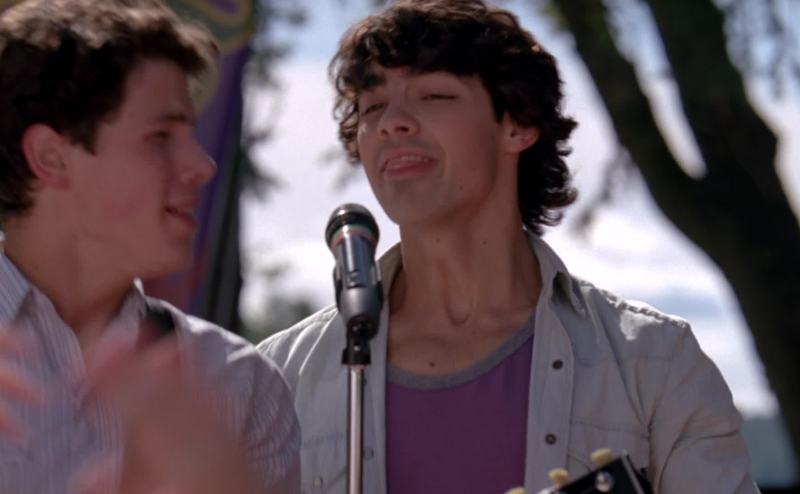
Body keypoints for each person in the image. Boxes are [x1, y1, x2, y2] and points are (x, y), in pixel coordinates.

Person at [258, 0, 758, 493]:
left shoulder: (655, 365)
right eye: (372, 106)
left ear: (517, 124)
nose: (392, 121)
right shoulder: (276, 381)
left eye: (433, 95)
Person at [0, 0, 300, 492]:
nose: (202, 166)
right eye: (161, 136)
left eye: (191, 133)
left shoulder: (241, 386)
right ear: (51, 157)